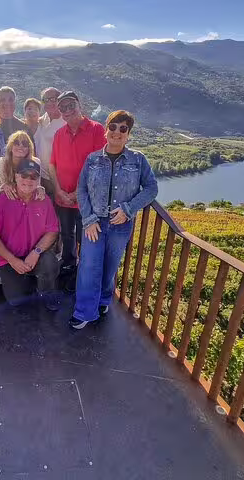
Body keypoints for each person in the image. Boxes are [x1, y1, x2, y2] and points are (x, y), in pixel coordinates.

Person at [69, 110, 159, 329]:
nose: (117, 132)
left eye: (123, 128)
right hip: (94, 223)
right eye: (113, 127)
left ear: (128, 134)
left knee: (110, 266)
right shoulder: (92, 159)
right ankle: (83, 312)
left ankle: (102, 300)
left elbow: (151, 188)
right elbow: (81, 190)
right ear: (106, 130)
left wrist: (128, 209)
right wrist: (89, 219)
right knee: (89, 266)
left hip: (121, 224)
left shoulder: (138, 160)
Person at [0, 158, 60, 310]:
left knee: (50, 262)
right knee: (16, 301)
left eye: (34, 176)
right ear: (16, 176)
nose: (28, 180)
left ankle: (46, 292)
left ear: (39, 180)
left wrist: (36, 252)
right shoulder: (1, 200)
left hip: (35, 254)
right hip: (9, 258)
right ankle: (26, 277)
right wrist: (12, 260)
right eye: (24, 175)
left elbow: (52, 231)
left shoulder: (44, 199)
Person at [49, 91, 107, 276]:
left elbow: (99, 167)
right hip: (63, 198)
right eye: (63, 107)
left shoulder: (97, 130)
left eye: (71, 105)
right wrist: (58, 190)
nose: (67, 110)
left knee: (86, 237)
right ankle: (69, 266)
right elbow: (53, 164)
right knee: (67, 235)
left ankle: (85, 271)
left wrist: (76, 194)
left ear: (79, 105)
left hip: (87, 199)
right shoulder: (59, 134)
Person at [0, 131, 45, 200]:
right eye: (16, 143)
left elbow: (36, 185)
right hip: (6, 201)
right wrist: (3, 187)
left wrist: (40, 189)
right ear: (10, 147)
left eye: (25, 144)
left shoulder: (36, 162)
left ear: (29, 148)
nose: (20, 146)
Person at [34, 87, 65, 197]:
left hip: (58, 180)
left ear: (60, 100)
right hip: (39, 177)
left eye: (53, 99)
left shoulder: (65, 122)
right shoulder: (41, 120)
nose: (49, 103)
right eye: (45, 100)